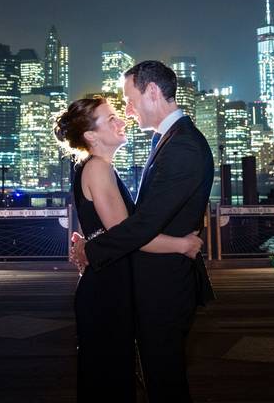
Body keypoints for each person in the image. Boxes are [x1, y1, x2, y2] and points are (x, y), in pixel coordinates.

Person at [71, 61, 214, 402]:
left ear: (152, 92)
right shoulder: (167, 141)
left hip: (165, 285)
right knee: (155, 377)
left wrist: (90, 250)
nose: (127, 109)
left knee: (164, 380)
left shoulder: (182, 146)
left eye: (129, 99)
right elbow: (133, 222)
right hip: (148, 283)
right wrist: (91, 243)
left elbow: (141, 225)